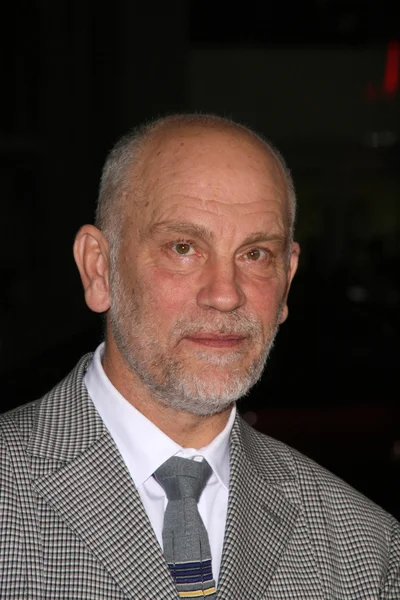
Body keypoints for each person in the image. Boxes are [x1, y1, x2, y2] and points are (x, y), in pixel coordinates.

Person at [0, 113, 398, 600]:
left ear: (288, 278)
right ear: (99, 269)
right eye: (183, 248)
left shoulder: (364, 547)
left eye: (255, 254)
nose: (226, 294)